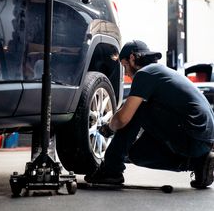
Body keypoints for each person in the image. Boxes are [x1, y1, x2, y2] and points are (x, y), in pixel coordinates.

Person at [84, 40, 214, 189]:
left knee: (138, 108)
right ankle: (199, 164)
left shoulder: (145, 74)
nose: (125, 72)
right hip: (201, 139)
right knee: (138, 154)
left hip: (193, 136)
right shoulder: (159, 71)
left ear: (132, 58)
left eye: (124, 66)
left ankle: (111, 170)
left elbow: (122, 118)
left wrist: (109, 128)